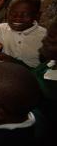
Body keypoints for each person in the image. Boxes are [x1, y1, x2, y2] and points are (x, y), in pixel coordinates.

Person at [31, 18, 57, 146]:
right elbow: (34, 75)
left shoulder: (50, 94)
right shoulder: (51, 63)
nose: (43, 40)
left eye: (51, 39)